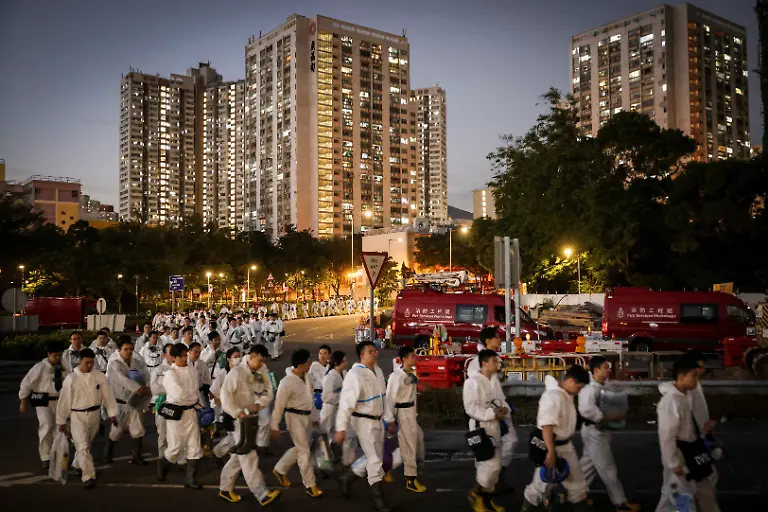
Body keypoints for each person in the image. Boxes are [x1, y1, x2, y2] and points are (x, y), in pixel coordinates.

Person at [218, 344, 281, 506]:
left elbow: (267, 392)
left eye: (263, 362)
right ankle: (262, 494)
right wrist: (236, 412)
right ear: (252, 356)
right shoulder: (237, 372)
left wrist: (260, 404)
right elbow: (225, 395)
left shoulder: (260, 374)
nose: (261, 364)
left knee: (239, 457)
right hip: (238, 419)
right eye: (259, 360)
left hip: (252, 418)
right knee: (249, 455)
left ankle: (225, 488)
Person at [521, 365, 591, 512]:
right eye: (579, 387)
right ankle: (528, 506)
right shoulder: (553, 396)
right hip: (554, 446)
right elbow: (547, 426)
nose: (579, 391)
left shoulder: (565, 394)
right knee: (541, 485)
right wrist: (551, 451)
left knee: (577, 485)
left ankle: (579, 503)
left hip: (565, 446)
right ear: (570, 381)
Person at [655, 359, 720, 512]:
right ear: (681, 377)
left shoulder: (683, 397)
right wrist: (673, 462)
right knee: (680, 500)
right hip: (681, 455)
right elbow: (666, 436)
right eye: (693, 376)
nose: (696, 381)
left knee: (702, 494)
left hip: (691, 453)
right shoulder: (671, 401)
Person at [578, 356, 639, 512]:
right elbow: (586, 410)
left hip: (599, 431)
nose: (608, 370)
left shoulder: (601, 386)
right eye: (606, 367)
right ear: (596, 370)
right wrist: (613, 417)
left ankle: (572, 495)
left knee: (587, 467)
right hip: (595, 433)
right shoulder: (590, 389)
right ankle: (620, 503)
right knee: (608, 469)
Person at [335, 340, 390, 512]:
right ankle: (378, 501)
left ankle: (348, 478)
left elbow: (383, 396)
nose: (375, 353)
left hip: (378, 420)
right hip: (363, 421)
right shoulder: (355, 375)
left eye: (376, 351)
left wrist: (389, 418)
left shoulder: (378, 371)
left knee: (374, 456)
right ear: (362, 355)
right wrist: (341, 428)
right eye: (371, 351)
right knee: (374, 460)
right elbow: (346, 403)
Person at [56, 348, 119, 489]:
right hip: (77, 416)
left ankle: (77, 463)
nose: (89, 366)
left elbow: (107, 395)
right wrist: (61, 421)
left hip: (95, 414)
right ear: (80, 361)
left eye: (92, 363)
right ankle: (88, 476)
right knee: (83, 445)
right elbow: (64, 401)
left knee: (86, 443)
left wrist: (112, 414)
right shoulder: (71, 379)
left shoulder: (99, 376)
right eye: (86, 363)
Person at [466, 326, 517, 493]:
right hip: (484, 419)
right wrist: (491, 411)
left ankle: (492, 486)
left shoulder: (492, 368)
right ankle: (482, 491)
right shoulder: (476, 367)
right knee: (487, 458)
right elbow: (475, 400)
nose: (500, 340)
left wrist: (505, 409)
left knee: (504, 448)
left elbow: (498, 394)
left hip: (497, 416)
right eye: (497, 337)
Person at [271, 349, 323, 498]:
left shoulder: (308, 377)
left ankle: (280, 469)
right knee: (304, 452)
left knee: (301, 448)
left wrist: (314, 418)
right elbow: (278, 405)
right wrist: (274, 426)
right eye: (308, 361)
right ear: (301, 364)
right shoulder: (286, 382)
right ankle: (310, 484)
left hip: (307, 418)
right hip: (293, 418)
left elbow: (311, 400)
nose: (310, 363)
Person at [464, 349, 509, 512]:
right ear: (484, 363)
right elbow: (470, 408)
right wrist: (491, 413)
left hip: (495, 425)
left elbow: (502, 400)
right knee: (488, 465)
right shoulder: (472, 382)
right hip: (480, 426)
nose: (497, 364)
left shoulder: (494, 381)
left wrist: (504, 410)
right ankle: (476, 493)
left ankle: (487, 500)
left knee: (495, 465)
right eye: (494, 361)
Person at [157, 343, 203, 489]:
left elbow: (195, 390)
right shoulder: (170, 374)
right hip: (176, 415)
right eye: (182, 356)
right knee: (175, 448)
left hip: (191, 413)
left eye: (186, 354)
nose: (185, 358)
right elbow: (180, 395)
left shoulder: (191, 369)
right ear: (174, 357)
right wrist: (193, 399)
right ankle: (162, 464)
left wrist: (198, 404)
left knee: (194, 446)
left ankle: (190, 479)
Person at [19, 342, 67, 472]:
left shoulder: (64, 366)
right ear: (49, 354)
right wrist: (23, 401)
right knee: (46, 425)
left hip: (60, 400)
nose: (58, 358)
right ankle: (45, 456)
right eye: (55, 356)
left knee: (59, 428)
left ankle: (57, 454)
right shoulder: (39, 367)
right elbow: (26, 384)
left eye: (60, 355)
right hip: (43, 400)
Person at [384, 346, 427, 493]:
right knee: (409, 446)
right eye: (412, 356)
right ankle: (411, 478)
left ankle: (386, 467)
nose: (415, 358)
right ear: (404, 359)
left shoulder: (411, 373)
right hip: (402, 413)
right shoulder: (396, 377)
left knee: (415, 442)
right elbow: (390, 399)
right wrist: (390, 419)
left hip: (410, 412)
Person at [104, 337, 152, 465]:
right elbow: (122, 380)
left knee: (138, 429)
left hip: (135, 401)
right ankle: (107, 454)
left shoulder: (136, 362)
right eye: (126, 349)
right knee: (117, 431)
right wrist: (139, 389)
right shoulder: (115, 364)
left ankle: (136, 456)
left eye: (131, 349)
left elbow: (146, 374)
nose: (129, 352)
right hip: (120, 403)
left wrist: (147, 386)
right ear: (119, 350)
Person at [211, 348, 243, 461]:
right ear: (228, 359)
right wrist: (224, 400)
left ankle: (218, 452)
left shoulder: (242, 372)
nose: (238, 359)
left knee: (234, 437)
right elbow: (214, 390)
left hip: (242, 409)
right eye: (235, 357)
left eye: (239, 356)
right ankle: (235, 464)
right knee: (237, 437)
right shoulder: (223, 374)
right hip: (229, 410)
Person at [150, 343, 175, 458]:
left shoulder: (181, 368)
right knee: (163, 433)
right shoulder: (159, 369)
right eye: (171, 353)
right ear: (165, 355)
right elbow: (154, 388)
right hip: (163, 404)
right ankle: (162, 459)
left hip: (177, 404)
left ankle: (176, 458)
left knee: (176, 433)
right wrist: (171, 391)